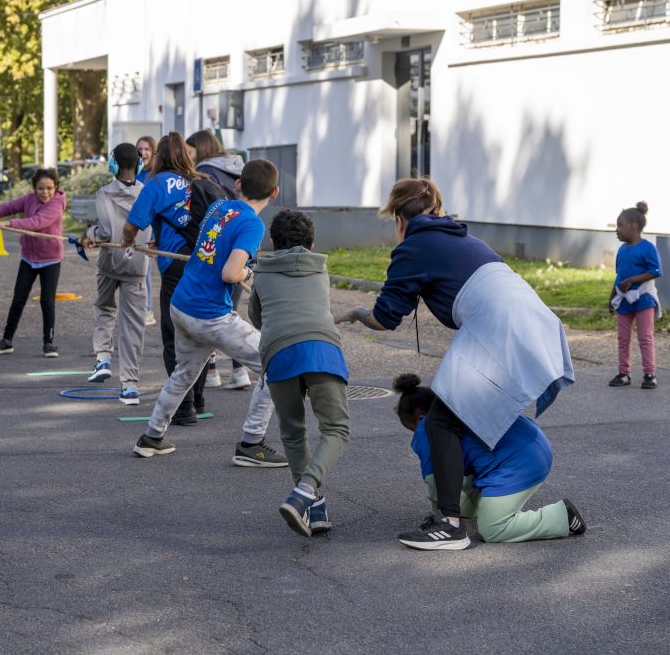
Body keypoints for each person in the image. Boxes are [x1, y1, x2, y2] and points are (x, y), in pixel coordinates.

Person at [335, 178, 574, 550]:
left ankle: (450, 525)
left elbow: (385, 318)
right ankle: (480, 494)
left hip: (499, 325)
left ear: (399, 218)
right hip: (531, 317)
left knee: (443, 419)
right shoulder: (463, 237)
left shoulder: (414, 246)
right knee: (471, 411)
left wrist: (353, 312)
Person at [129, 158, 287, 468]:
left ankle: (151, 437)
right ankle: (251, 443)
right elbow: (230, 274)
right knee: (277, 362)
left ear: (238, 184)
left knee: (184, 372)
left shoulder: (218, 208)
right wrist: (251, 276)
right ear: (275, 193)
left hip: (181, 304)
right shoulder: (252, 224)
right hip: (209, 315)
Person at [393, 374, 586, 546]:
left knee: (493, 529)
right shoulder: (457, 404)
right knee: (463, 507)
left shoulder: (426, 429)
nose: (414, 435)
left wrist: (440, 518)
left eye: (411, 429)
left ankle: (560, 516)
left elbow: (436, 480)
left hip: (519, 462)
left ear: (420, 418)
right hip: (531, 445)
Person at [249, 209, 350, 536]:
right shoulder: (321, 269)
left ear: (273, 243)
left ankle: (313, 507)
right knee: (336, 428)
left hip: (279, 353)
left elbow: (256, 318)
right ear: (312, 242)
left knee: (293, 431)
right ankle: (305, 492)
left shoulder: (261, 272)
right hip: (321, 350)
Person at [123, 133, 219, 425]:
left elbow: (133, 225)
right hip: (207, 266)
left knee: (173, 336)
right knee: (200, 331)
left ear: (160, 156)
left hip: (176, 271)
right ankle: (199, 398)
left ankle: (184, 405)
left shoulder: (156, 184)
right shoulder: (205, 182)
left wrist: (129, 241)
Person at [80, 143, 150, 405]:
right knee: (133, 324)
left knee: (104, 308)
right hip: (137, 265)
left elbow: (107, 232)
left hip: (110, 262)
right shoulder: (146, 192)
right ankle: (130, 385)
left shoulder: (104, 193)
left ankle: (103, 358)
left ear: (113, 164)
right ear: (139, 164)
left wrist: (89, 235)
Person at [187, 130, 250, 391]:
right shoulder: (235, 167)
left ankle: (212, 370)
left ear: (200, 150)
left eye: (190, 151)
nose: (187, 157)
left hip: (216, 249)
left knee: (212, 312)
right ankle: (239, 369)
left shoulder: (205, 173)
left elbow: (208, 215)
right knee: (230, 311)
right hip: (242, 245)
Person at [0, 168, 67, 358]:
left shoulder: (56, 204)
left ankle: (49, 343)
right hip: (29, 257)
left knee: (47, 300)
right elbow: (8, 206)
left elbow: (35, 223)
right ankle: (7, 340)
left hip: (50, 259)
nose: (45, 192)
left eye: (49, 188)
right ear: (34, 188)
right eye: (40, 189)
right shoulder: (29, 199)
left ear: (56, 187)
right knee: (18, 298)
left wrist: (6, 224)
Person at [608, 202, 662, 389]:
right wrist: (611, 297)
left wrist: (632, 280)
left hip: (643, 299)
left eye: (619, 226)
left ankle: (649, 375)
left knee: (645, 337)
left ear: (633, 227)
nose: (617, 230)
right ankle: (624, 373)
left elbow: (655, 271)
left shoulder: (648, 248)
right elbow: (619, 276)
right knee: (623, 338)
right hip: (624, 301)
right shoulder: (622, 250)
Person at [136, 135, 158, 327]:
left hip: (153, 228)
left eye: (147, 149)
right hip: (138, 228)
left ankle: (149, 310)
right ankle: (143, 309)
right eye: (140, 149)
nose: (143, 153)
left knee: (147, 271)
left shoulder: (155, 175)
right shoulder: (135, 173)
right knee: (141, 271)